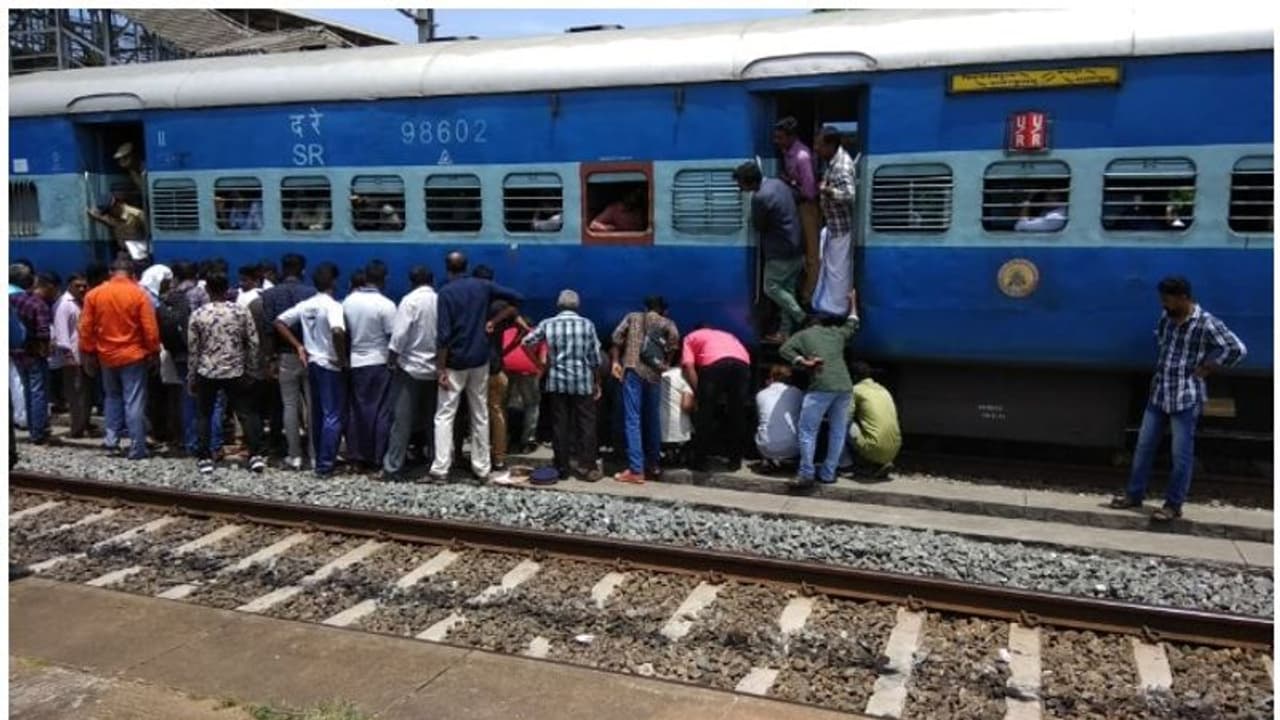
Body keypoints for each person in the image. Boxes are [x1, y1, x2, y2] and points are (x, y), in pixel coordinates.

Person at [1110, 276, 1247, 521]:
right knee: (1143, 448)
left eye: (1168, 300)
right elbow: (1162, 339)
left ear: (1183, 298)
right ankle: (1134, 495)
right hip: (1160, 392)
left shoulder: (1206, 323)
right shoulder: (1167, 317)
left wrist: (1210, 366)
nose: (1164, 304)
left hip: (1186, 395)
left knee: (1180, 455)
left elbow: (1237, 348)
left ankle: (1173, 505)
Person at [431, 252, 524, 482]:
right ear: (466, 266)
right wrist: (495, 320)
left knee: (445, 414)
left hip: (455, 361)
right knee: (480, 413)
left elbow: (443, 334)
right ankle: (482, 468)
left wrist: (440, 368)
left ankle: (441, 468)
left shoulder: (445, 293)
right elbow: (517, 297)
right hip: (480, 359)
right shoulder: (483, 286)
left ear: (447, 269)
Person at [79, 259, 161, 460]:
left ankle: (111, 442)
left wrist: (88, 352)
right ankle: (137, 447)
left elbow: (85, 328)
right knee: (133, 401)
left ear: (111, 272)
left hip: (106, 355)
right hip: (133, 355)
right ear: (132, 274)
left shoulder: (94, 295)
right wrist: (153, 351)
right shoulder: (139, 294)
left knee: (112, 398)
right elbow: (150, 329)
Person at [779, 290, 861, 487]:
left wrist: (803, 361)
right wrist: (853, 301)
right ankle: (828, 473)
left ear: (808, 324)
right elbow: (853, 321)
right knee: (838, 430)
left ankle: (806, 473)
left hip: (821, 386)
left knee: (808, 430)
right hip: (845, 386)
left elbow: (784, 349)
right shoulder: (836, 333)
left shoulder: (803, 335)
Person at [187, 272, 265, 474]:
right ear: (227, 289)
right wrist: (252, 369)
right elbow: (253, 342)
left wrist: (191, 376)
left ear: (207, 289)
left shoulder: (198, 314)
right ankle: (255, 455)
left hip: (207, 370)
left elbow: (193, 349)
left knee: (204, 414)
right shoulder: (240, 311)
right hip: (236, 369)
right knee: (247, 413)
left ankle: (205, 458)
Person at [274, 262, 347, 478]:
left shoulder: (306, 305)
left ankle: (319, 460)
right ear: (333, 282)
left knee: (317, 413)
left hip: (312, 362)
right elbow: (338, 331)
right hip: (329, 364)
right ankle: (325, 463)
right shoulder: (333, 306)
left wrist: (298, 345)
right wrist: (341, 358)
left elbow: (279, 322)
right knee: (332, 414)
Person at [522, 289, 603, 482]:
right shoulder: (587, 324)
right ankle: (588, 467)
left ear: (558, 305)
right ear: (577, 305)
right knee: (586, 424)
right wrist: (597, 381)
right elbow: (594, 357)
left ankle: (562, 467)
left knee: (560, 425)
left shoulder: (548, 323)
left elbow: (526, 342)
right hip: (582, 381)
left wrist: (539, 364)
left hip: (557, 381)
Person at [610, 295, 680, 484]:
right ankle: (654, 465)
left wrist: (616, 361)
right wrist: (665, 364)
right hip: (654, 374)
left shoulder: (633, 317)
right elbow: (674, 343)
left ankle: (636, 470)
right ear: (663, 309)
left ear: (645, 307)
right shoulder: (668, 323)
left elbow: (616, 337)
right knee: (653, 419)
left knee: (633, 419)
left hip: (633, 370)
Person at [734, 161, 805, 343]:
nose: (739, 188)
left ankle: (801, 316)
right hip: (797, 246)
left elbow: (759, 225)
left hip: (780, 251)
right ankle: (785, 332)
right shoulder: (777, 184)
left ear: (750, 182)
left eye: (740, 184)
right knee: (787, 291)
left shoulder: (760, 197)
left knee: (771, 287)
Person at [382, 265, 439, 480]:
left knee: (402, 421)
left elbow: (399, 336)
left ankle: (393, 466)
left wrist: (391, 360)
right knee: (434, 420)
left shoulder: (409, 301)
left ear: (411, 281)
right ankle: (435, 462)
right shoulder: (439, 300)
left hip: (410, 368)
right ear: (431, 280)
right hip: (434, 368)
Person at [260, 253, 316, 471]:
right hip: (309, 355)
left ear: (282, 270)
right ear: (303, 270)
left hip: (284, 355)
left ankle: (294, 455)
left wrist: (269, 359)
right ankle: (314, 453)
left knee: (289, 405)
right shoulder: (311, 293)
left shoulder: (269, 294)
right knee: (312, 406)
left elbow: (268, 329)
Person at [342, 260, 397, 471]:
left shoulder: (348, 302)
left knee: (356, 410)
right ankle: (378, 456)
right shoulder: (386, 304)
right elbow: (393, 338)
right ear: (385, 279)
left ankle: (356, 457)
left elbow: (343, 333)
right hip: (379, 362)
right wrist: (393, 363)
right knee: (382, 411)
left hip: (356, 361)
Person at [474, 265, 525, 472]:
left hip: (476, 366)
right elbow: (524, 328)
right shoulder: (501, 307)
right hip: (497, 366)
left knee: (476, 413)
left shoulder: (474, 304)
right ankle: (499, 457)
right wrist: (508, 348)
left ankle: (479, 456)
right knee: (497, 411)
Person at [681, 326, 751, 472]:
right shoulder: (728, 334)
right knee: (737, 413)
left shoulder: (690, 337)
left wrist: (698, 392)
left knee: (705, 413)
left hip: (715, 364)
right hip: (742, 364)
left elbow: (688, 367)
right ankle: (735, 461)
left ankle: (700, 460)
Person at [773, 117, 820, 302]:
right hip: (795, 205)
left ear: (791, 137)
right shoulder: (787, 152)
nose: (777, 141)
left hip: (806, 206)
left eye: (780, 138)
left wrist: (790, 183)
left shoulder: (802, 157)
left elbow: (809, 192)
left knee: (812, 253)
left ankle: (810, 296)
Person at [813, 126, 857, 315]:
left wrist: (828, 191)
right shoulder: (833, 161)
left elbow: (849, 195)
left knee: (839, 273)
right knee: (832, 270)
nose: (816, 149)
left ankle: (837, 311)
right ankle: (829, 307)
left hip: (841, 228)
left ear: (831, 145)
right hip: (834, 226)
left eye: (819, 145)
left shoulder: (841, 166)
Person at [11, 273, 58, 444]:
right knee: (38, 392)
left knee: (27, 390)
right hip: (34, 353)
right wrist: (47, 349)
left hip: (17, 351)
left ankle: (32, 427)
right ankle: (38, 432)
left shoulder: (13, 299)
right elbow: (43, 332)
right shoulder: (39, 304)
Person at [844, 361, 902, 478]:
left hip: (874, 448)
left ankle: (848, 464)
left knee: (840, 425)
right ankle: (880, 462)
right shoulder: (883, 389)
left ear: (854, 377)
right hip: (895, 449)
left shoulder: (856, 390)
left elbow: (846, 417)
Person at [53, 273, 93, 438]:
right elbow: (61, 333)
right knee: (75, 394)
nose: (82, 289)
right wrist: (68, 356)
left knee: (84, 393)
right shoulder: (64, 304)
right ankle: (77, 428)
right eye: (78, 286)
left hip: (83, 356)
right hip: (72, 357)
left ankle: (84, 423)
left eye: (84, 285)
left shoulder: (80, 302)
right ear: (69, 285)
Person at [503, 315, 547, 454]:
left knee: (504, 405)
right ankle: (527, 441)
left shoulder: (506, 332)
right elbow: (543, 361)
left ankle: (504, 438)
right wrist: (539, 373)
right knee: (532, 405)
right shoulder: (537, 335)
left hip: (505, 371)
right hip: (528, 372)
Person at [755, 365, 804, 469]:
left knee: (762, 423)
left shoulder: (761, 394)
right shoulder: (797, 392)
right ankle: (800, 462)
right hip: (793, 447)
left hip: (765, 447)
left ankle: (766, 460)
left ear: (771, 377)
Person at [87, 194, 149, 263]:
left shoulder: (137, 215)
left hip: (140, 253)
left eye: (109, 211)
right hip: (124, 253)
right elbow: (95, 214)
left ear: (117, 205)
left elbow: (149, 234)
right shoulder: (112, 217)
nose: (109, 214)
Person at [659, 366, 694, 466]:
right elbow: (686, 405)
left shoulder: (661, 375)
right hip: (680, 434)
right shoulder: (684, 378)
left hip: (659, 430)